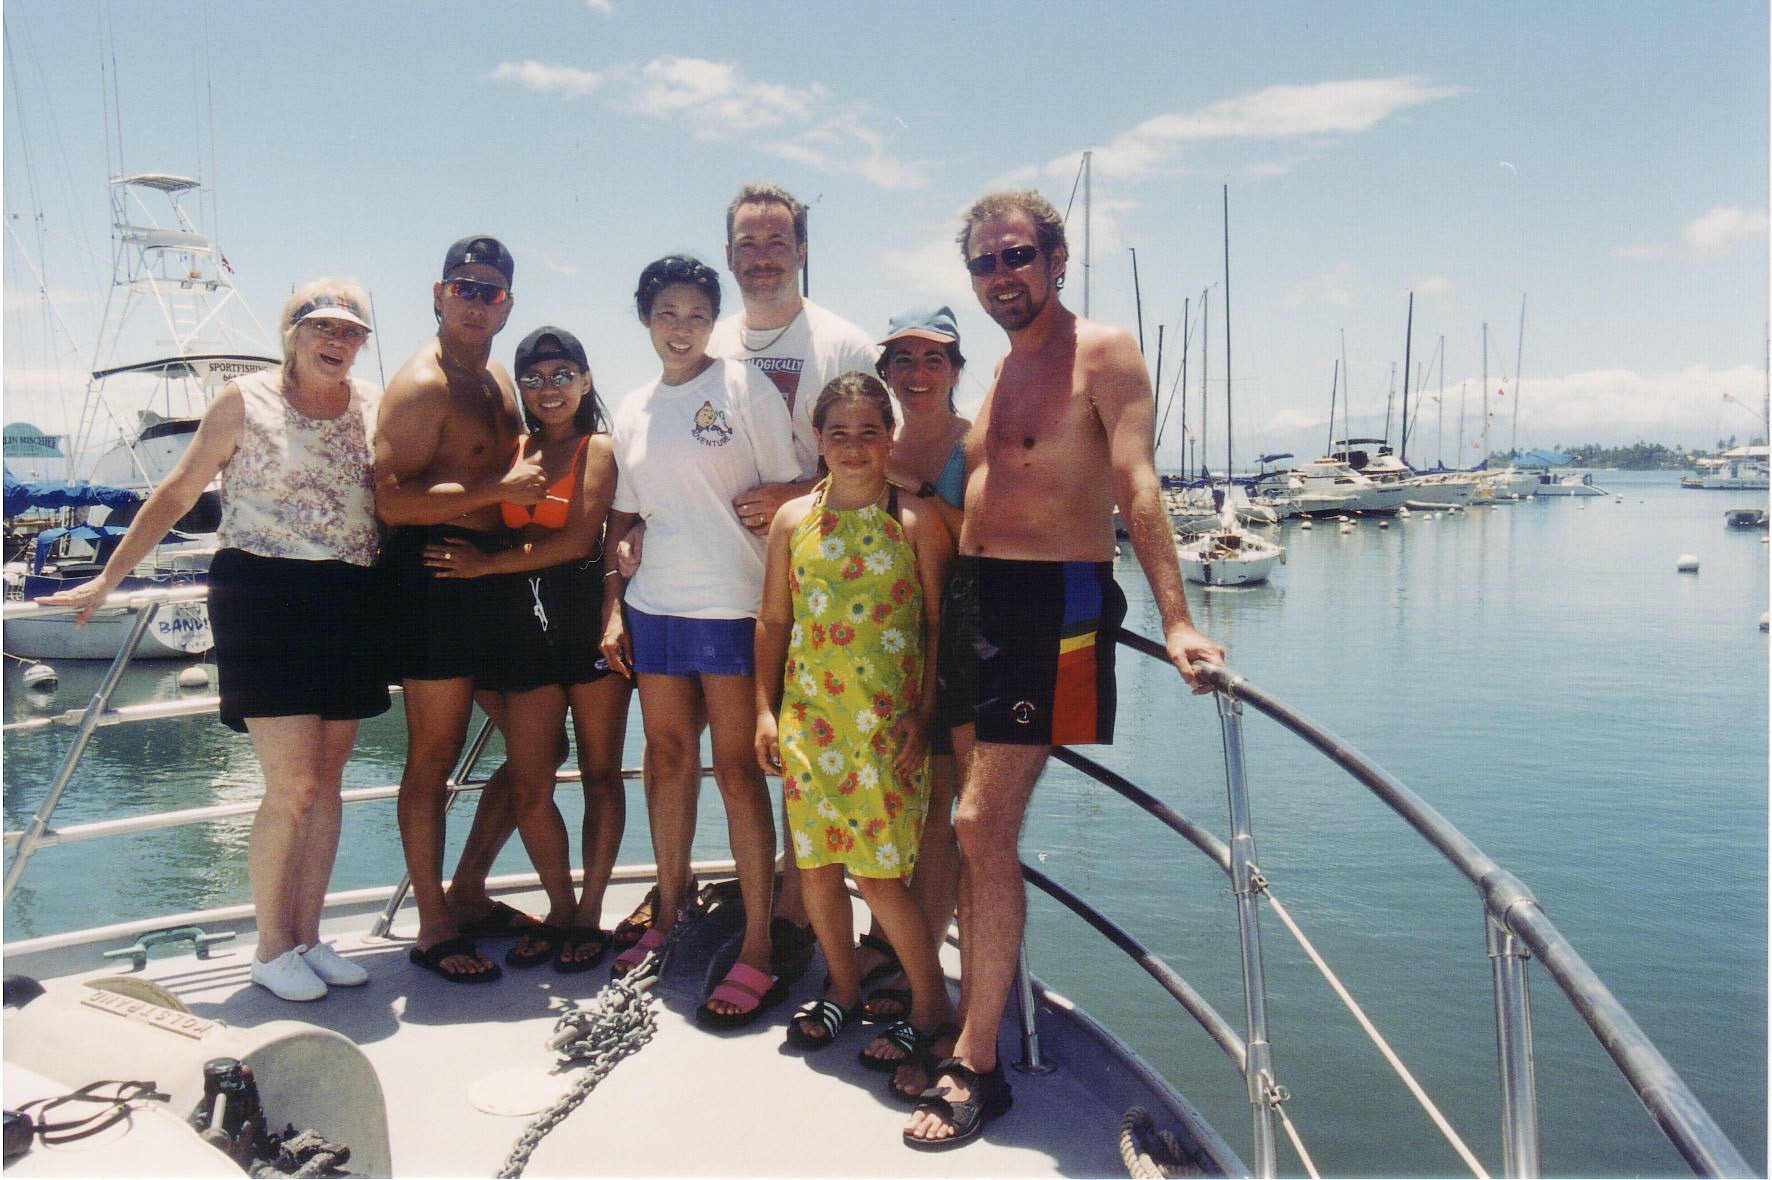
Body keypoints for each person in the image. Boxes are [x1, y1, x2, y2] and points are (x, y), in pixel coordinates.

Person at [902, 192, 1225, 1150]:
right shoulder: (1003, 368)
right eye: (984, 263)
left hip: (1055, 608)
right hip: (978, 604)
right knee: (976, 832)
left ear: (1056, 259)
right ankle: (975, 1024)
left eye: (1017, 256)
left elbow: (1136, 482)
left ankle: (978, 1063)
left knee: (977, 823)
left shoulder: (1104, 353)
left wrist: (1177, 620)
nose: (1001, 276)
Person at [40, 280, 388, 1002]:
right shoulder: (243, 401)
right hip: (264, 594)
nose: (336, 340)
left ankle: (309, 937)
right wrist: (108, 578)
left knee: (328, 785)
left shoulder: (370, 404)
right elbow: (175, 491)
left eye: (351, 330)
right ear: (291, 332)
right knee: (291, 785)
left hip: (350, 595)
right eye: (321, 326)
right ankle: (271, 948)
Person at [601, 255, 799, 1027]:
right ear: (644, 319)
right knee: (667, 759)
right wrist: (617, 593)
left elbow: (795, 489)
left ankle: (758, 941)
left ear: (713, 322)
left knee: (739, 773)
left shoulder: (745, 388)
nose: (680, 329)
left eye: (696, 315)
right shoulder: (632, 407)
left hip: (734, 606)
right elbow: (627, 515)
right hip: (655, 605)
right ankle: (668, 909)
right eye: (666, 314)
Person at [753, 373, 955, 1058]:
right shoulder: (793, 521)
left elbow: (936, 624)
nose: (854, 446)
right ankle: (842, 988)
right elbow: (773, 622)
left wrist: (923, 716)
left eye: (869, 431)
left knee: (877, 875)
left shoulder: (914, 521)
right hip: (810, 723)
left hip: (885, 730)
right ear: (817, 439)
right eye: (838, 433)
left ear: (889, 438)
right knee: (814, 869)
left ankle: (931, 1003)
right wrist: (765, 711)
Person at [420, 326, 631, 972]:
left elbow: (577, 541)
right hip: (523, 636)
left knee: (600, 775)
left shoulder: (598, 449)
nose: (548, 388)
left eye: (562, 374)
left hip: (586, 628)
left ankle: (591, 912)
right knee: (531, 783)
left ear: (585, 381)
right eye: (534, 379)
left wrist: (483, 567)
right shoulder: (512, 451)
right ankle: (560, 908)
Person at [375, 236, 546, 984]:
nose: (477, 302)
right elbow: (390, 501)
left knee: (541, 750)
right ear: (439, 295)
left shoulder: (498, 380)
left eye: (491, 292)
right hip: (433, 575)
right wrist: (495, 492)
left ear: (507, 305)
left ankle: (470, 891)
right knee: (434, 755)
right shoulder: (423, 385)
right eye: (464, 288)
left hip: (494, 576)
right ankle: (433, 924)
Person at [851, 309, 972, 1078]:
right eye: (902, 360)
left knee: (942, 814)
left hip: (957, 638)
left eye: (933, 359)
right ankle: (890, 945)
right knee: (894, 804)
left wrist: (920, 493)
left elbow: (988, 533)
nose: (917, 373)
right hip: (881, 649)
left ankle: (917, 965)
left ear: (956, 369)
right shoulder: (877, 440)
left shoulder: (973, 443)